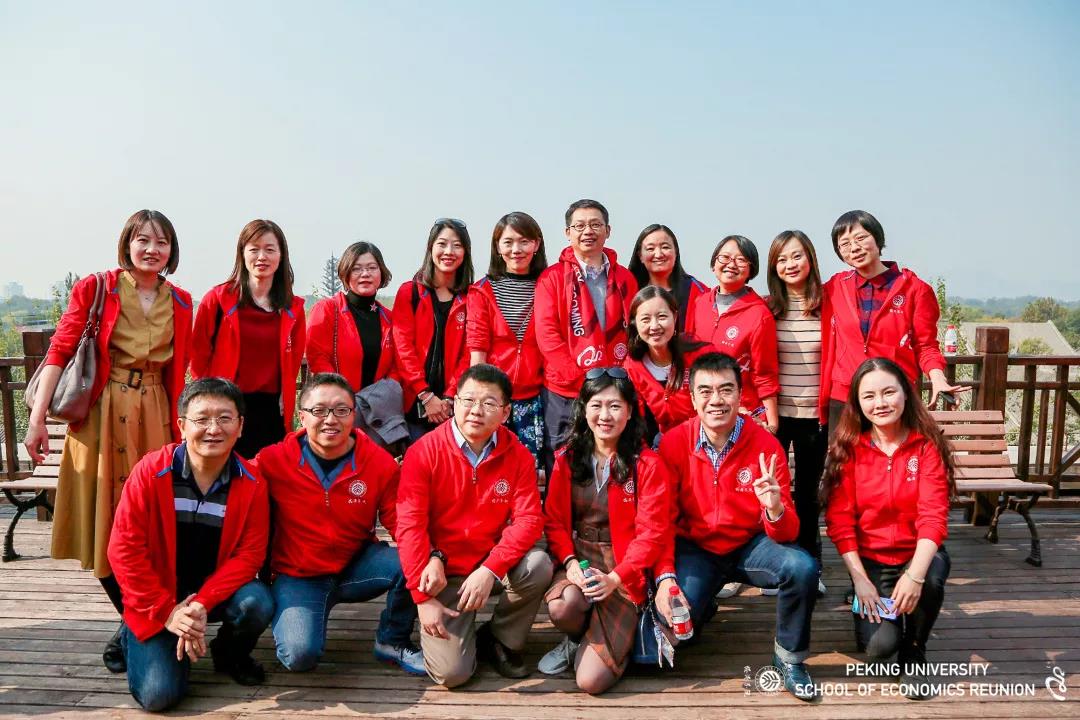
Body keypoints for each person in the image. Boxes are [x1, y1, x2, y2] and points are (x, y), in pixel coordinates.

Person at [24, 209, 193, 674]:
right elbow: (61, 348)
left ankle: (131, 626)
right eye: (143, 240)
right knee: (105, 524)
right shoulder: (96, 288)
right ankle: (134, 621)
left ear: (172, 250)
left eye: (161, 242)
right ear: (127, 244)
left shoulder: (181, 301)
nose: (152, 249)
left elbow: (183, 366)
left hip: (155, 415)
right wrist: (36, 420)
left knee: (151, 526)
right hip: (101, 417)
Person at [654, 352, 820, 702]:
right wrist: (665, 577)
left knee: (802, 567)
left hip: (750, 545)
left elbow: (789, 533)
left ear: (740, 395)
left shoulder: (766, 445)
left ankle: (789, 658)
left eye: (726, 389)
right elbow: (661, 519)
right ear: (693, 398)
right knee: (672, 625)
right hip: (696, 548)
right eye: (705, 391)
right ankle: (702, 607)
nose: (716, 400)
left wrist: (774, 509)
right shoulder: (674, 443)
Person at [107, 378, 273, 712]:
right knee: (159, 695)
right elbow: (123, 550)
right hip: (157, 597)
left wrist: (199, 604)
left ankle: (229, 654)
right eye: (202, 419)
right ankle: (133, 630)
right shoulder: (151, 472)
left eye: (224, 418)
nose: (214, 429)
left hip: (212, 593)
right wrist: (167, 612)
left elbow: (250, 555)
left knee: (257, 602)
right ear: (182, 426)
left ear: (240, 426)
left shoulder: (252, 481)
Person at [253, 372, 423, 674]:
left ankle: (392, 640)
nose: (330, 419)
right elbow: (235, 492)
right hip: (299, 574)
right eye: (319, 410)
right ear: (302, 415)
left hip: (357, 564)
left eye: (341, 410)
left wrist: (429, 559)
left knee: (413, 560)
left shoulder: (379, 462)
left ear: (353, 414)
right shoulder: (272, 461)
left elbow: (401, 522)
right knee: (299, 656)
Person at [396, 364, 552, 687]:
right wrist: (422, 599)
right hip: (443, 571)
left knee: (538, 565)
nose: (476, 411)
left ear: (506, 412)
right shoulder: (423, 452)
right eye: (467, 400)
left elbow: (529, 520)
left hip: (489, 563)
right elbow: (409, 526)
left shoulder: (518, 455)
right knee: (452, 674)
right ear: (454, 402)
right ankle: (455, 630)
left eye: (489, 403)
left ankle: (500, 638)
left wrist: (490, 569)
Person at [822, 358, 954, 701]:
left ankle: (915, 649)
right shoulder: (847, 449)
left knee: (931, 578)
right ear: (857, 403)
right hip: (872, 563)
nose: (880, 403)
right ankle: (875, 616)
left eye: (888, 392)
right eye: (869, 396)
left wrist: (915, 575)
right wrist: (859, 579)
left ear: (906, 394)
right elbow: (840, 522)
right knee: (879, 648)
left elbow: (933, 516)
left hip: (916, 554)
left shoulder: (926, 446)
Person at [537, 368, 668, 694]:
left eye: (615, 406)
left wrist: (615, 578)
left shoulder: (646, 465)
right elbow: (553, 521)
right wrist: (569, 563)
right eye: (596, 405)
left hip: (623, 571)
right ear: (584, 410)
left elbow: (651, 535)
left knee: (590, 682)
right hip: (580, 559)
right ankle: (576, 639)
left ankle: (616, 639)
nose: (605, 416)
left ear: (630, 412)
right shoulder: (568, 459)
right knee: (563, 605)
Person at [819, 210, 967, 434]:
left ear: (878, 239)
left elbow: (926, 345)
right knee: (843, 458)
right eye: (845, 244)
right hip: (845, 399)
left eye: (861, 238)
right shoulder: (835, 287)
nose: (854, 248)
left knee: (895, 457)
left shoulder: (915, 289)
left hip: (894, 397)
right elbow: (798, 300)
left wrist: (937, 378)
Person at [535, 199, 637, 478]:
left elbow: (634, 333)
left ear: (608, 230)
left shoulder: (625, 278)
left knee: (614, 461)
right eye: (579, 226)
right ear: (568, 233)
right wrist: (581, 380)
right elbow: (547, 335)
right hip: (565, 389)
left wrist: (618, 378)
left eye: (595, 224)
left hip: (614, 386)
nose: (587, 231)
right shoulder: (552, 278)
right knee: (562, 461)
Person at [190, 219, 306, 459]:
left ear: (281, 256)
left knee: (267, 473)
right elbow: (198, 356)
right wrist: (209, 399)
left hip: (271, 410)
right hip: (226, 406)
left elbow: (294, 360)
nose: (262, 257)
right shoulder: (218, 300)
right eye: (254, 249)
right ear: (242, 253)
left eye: (270, 249)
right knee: (225, 472)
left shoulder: (292, 308)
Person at [765, 230, 827, 594]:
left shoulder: (828, 306)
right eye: (782, 259)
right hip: (774, 416)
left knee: (807, 493)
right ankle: (775, 565)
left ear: (810, 260)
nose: (790, 264)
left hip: (815, 416)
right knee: (772, 490)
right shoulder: (767, 308)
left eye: (797, 256)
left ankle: (810, 566)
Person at [467, 212, 548, 463]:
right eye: (508, 242)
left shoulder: (549, 285)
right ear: (497, 246)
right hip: (494, 398)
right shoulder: (482, 290)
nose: (516, 250)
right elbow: (478, 348)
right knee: (489, 465)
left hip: (536, 398)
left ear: (536, 244)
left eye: (524, 241)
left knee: (531, 470)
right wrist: (479, 399)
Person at [686, 235, 779, 432]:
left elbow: (764, 373)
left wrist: (772, 423)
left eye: (741, 260)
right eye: (725, 257)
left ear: (751, 269)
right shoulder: (699, 304)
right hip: (703, 408)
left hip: (741, 411)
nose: (731, 264)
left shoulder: (759, 314)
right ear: (714, 264)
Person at [392, 218, 473, 441]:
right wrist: (426, 395)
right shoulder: (410, 293)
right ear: (430, 248)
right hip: (413, 401)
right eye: (442, 244)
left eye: (457, 245)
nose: (449, 251)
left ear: (466, 252)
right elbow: (402, 348)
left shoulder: (471, 296)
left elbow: (470, 352)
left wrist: (449, 397)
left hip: (453, 405)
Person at [624, 286, 712, 444]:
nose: (654, 326)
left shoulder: (703, 355)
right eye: (645, 319)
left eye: (662, 316)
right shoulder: (632, 365)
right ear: (634, 323)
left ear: (675, 317)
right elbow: (638, 421)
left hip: (707, 437)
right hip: (666, 443)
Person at [306, 242, 396, 392]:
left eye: (372, 267)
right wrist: (344, 397)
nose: (365, 274)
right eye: (356, 268)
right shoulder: (327, 310)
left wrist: (379, 397)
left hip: (379, 403)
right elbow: (318, 359)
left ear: (382, 272)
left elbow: (396, 366)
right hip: (336, 400)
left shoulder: (389, 318)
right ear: (345, 273)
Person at [626, 223, 709, 333]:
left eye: (665, 247)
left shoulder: (698, 291)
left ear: (676, 252)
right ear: (640, 256)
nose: (658, 254)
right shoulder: (627, 290)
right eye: (650, 248)